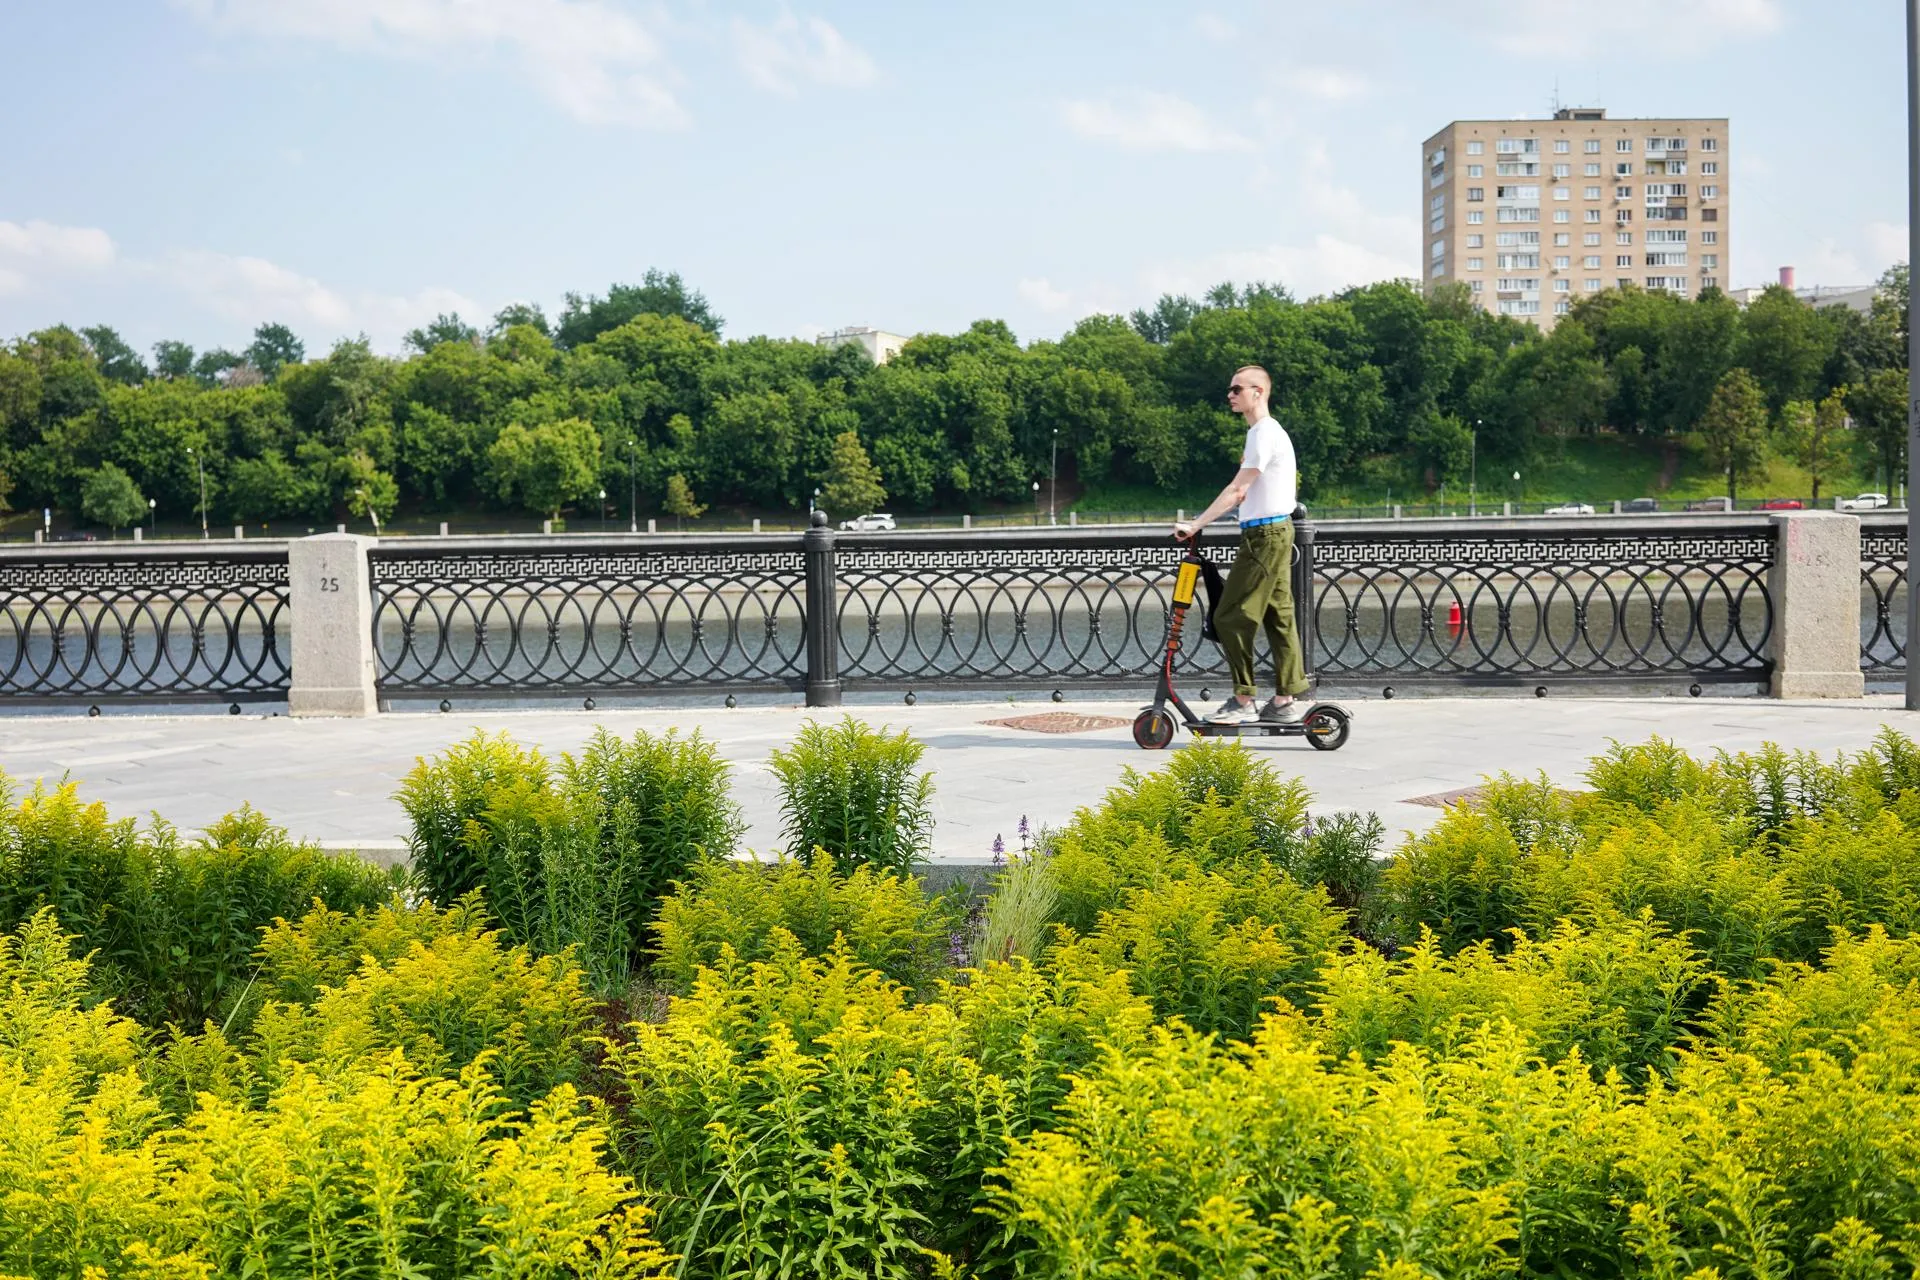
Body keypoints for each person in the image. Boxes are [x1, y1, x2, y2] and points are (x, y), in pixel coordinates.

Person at [1172, 365, 1308, 725]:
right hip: (1275, 533)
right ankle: (1285, 700)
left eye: (1236, 389)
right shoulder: (1266, 433)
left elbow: (1237, 490)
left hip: (1264, 537)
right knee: (1279, 617)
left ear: (1258, 392)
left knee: (1229, 616)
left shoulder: (1263, 434)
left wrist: (1195, 524)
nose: (1230, 395)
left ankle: (1243, 700)